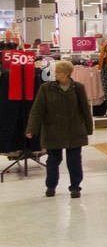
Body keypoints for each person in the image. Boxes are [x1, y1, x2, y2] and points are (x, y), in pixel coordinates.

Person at [26, 58, 94, 198]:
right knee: (53, 160)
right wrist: (31, 128)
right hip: (52, 130)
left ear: (66, 73)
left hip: (74, 130)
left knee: (74, 160)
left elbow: (85, 110)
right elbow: (37, 110)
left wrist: (88, 128)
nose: (55, 74)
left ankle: (75, 187)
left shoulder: (78, 88)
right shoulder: (45, 88)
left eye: (58, 72)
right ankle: (51, 186)